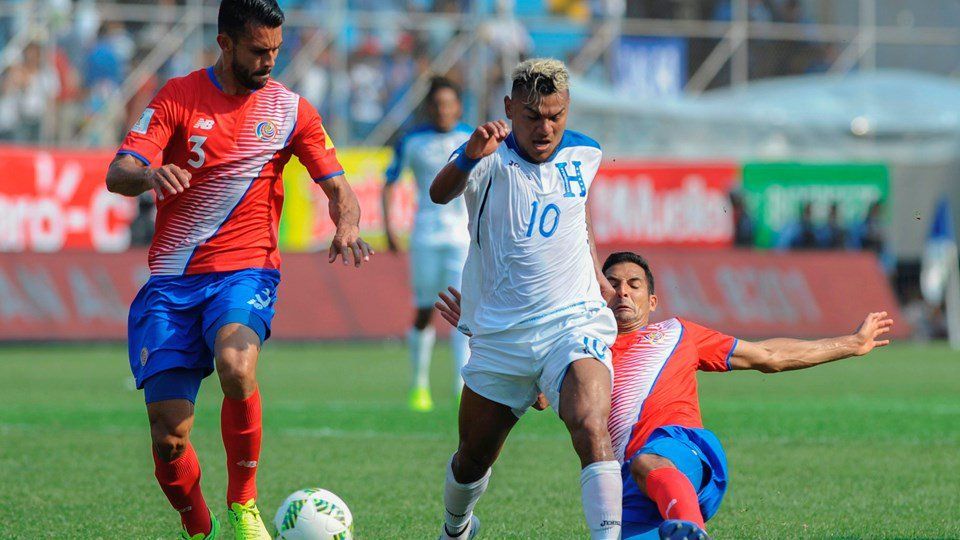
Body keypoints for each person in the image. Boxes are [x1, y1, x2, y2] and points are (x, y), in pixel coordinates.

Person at [104, 1, 372, 539]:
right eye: (258, 50)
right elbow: (120, 172)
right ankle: (196, 522)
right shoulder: (178, 96)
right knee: (169, 439)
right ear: (225, 44)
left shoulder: (292, 110)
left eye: (276, 49)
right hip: (172, 283)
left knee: (236, 363)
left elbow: (339, 187)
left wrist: (346, 224)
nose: (270, 60)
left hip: (245, 271)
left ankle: (243, 504)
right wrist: (151, 175)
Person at [435, 251, 894, 540]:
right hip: (626, 491)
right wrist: (486, 335)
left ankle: (691, 531)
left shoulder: (678, 334)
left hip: (681, 453)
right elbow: (535, 395)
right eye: (611, 283)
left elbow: (769, 355)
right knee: (639, 473)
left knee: (649, 461)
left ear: (653, 301)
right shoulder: (576, 351)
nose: (622, 292)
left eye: (634, 285)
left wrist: (850, 344)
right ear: (595, 294)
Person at [429, 58, 622, 540]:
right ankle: (457, 528)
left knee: (591, 423)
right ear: (510, 108)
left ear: (568, 109)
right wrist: (471, 155)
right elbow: (438, 193)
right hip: (502, 336)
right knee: (472, 458)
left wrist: (595, 269)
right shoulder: (485, 155)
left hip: (573, 322)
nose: (546, 127)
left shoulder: (587, 153)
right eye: (533, 116)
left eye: (556, 115)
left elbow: (578, 214)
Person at [382, 76, 472, 411]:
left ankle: (461, 385)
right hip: (423, 236)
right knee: (423, 311)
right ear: (429, 107)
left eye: (449, 103)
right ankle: (419, 386)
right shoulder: (412, 141)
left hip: (462, 238)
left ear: (459, 106)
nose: (443, 110)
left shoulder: (469, 137)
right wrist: (390, 226)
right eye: (437, 104)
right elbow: (390, 181)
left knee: (464, 312)